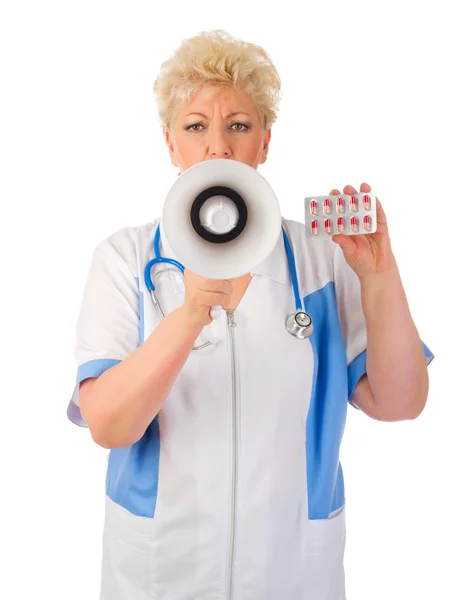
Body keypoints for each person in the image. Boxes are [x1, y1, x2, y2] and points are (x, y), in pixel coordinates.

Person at [68, 29, 434, 600]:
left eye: (239, 125)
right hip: (162, 571)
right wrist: (190, 312)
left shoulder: (322, 256)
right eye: (196, 127)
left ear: (265, 142)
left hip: (292, 573)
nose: (218, 147)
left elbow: (401, 402)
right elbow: (109, 425)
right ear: (170, 144)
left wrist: (379, 276)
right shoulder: (126, 259)